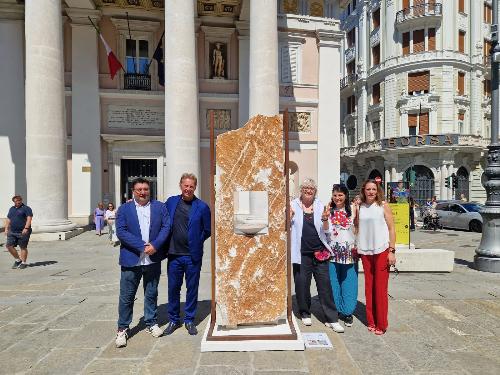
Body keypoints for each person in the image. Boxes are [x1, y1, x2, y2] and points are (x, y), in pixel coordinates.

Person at [114, 177, 171, 348]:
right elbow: (121, 231)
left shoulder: (160, 207)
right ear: (133, 190)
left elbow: (166, 227)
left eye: (145, 189)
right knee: (127, 296)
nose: (142, 192)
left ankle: (151, 323)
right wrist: (142, 246)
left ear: (149, 190)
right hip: (131, 258)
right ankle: (123, 328)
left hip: (152, 259)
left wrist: (155, 245)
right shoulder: (124, 209)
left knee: (151, 293)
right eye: (139, 189)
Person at [290, 178, 344, 333]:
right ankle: (305, 311)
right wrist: (289, 216)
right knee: (302, 284)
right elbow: (285, 227)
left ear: (315, 191)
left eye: (311, 188)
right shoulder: (293, 205)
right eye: (306, 188)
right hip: (301, 253)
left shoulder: (320, 206)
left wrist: (326, 219)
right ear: (301, 190)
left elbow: (327, 230)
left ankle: (331, 318)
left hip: (320, 251)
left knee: (325, 286)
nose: (308, 190)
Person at [164, 173, 211, 336]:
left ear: (195, 187)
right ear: (181, 186)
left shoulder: (202, 207)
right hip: (174, 255)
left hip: (192, 256)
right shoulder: (171, 202)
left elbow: (207, 230)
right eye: (186, 185)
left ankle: (189, 319)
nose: (188, 189)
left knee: (192, 288)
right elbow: (159, 216)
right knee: (173, 288)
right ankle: (173, 319)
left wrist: (196, 240)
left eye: (191, 186)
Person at [355, 180, 396, 335]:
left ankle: (382, 324)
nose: (371, 192)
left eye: (373, 189)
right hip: (365, 251)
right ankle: (371, 321)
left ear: (377, 190)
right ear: (363, 191)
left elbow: (392, 228)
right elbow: (357, 226)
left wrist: (392, 250)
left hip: (381, 250)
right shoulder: (360, 206)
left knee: (380, 288)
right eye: (368, 189)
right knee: (369, 288)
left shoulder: (383, 205)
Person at [324, 184, 358, 328]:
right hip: (332, 251)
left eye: (340, 195)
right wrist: (325, 219)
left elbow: (358, 227)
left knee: (349, 282)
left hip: (349, 251)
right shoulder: (328, 209)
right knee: (333, 282)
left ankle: (347, 312)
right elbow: (325, 230)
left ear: (346, 195)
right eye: (335, 195)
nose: (337, 198)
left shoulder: (353, 208)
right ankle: (336, 310)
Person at [4, 195, 33, 269]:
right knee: (9, 246)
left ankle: (23, 262)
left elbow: (29, 218)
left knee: (23, 247)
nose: (18, 202)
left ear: (21, 200)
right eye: (16, 201)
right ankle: (18, 260)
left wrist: (26, 228)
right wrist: (6, 228)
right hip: (12, 231)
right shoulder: (12, 209)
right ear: (14, 201)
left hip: (22, 231)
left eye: (19, 200)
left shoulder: (26, 208)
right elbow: (8, 219)